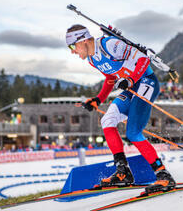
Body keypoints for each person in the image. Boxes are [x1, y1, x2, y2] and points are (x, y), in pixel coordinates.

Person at [66, 24, 175, 193]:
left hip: (147, 82)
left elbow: (143, 59)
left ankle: (163, 175)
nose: (72, 51)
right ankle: (123, 172)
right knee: (107, 120)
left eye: (73, 46)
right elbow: (111, 77)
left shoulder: (109, 45)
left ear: (84, 40)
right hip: (131, 87)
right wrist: (98, 99)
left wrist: (130, 80)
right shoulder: (92, 59)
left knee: (133, 133)